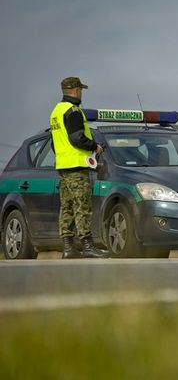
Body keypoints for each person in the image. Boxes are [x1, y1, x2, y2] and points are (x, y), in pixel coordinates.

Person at [50, 77, 109, 259]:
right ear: (76, 90)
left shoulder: (56, 111)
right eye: (81, 90)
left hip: (63, 166)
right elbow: (77, 138)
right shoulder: (73, 111)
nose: (81, 93)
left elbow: (54, 143)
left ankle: (68, 248)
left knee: (66, 207)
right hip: (76, 166)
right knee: (82, 206)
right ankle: (88, 246)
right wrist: (94, 146)